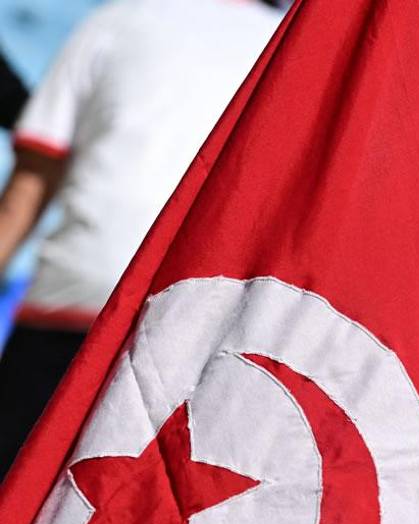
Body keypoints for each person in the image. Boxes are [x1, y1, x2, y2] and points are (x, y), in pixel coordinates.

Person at [0, 0, 282, 479]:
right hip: (207, 322)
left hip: (77, 301)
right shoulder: (290, 47)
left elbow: (30, 185)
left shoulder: (115, 21)